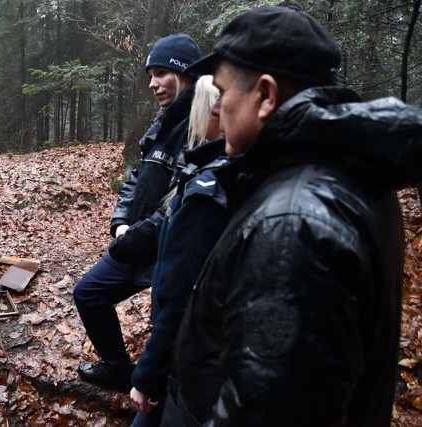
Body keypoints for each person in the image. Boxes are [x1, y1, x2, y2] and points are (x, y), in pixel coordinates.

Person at [162, 6, 422, 426]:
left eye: (224, 94)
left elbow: (269, 409)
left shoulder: (292, 227)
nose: (214, 109)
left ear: (265, 96)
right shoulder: (352, 172)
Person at [73, 34, 201, 392]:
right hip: (137, 242)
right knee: (88, 292)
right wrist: (120, 223)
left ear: (184, 73)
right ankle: (117, 368)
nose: (153, 83)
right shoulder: (162, 120)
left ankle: (157, 393)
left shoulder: (202, 124)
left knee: (167, 328)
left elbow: (182, 204)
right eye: (150, 74)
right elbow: (136, 177)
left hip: (170, 252)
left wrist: (136, 238)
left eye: (161, 73)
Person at [129, 75, 228, 426]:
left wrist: (145, 373)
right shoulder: (204, 167)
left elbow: (181, 291)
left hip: (185, 349)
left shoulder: (207, 191)